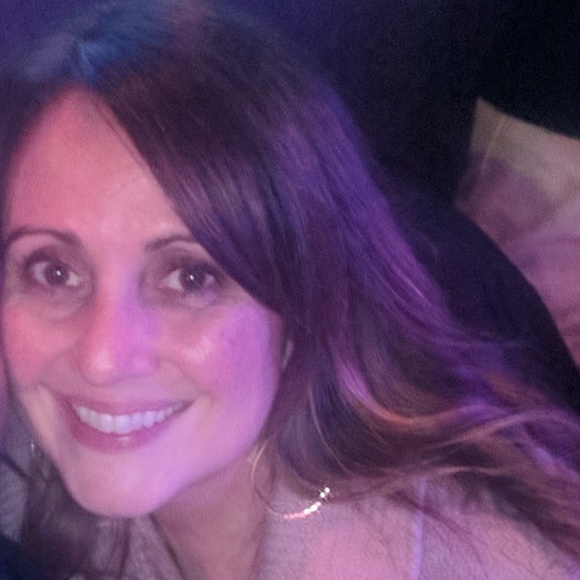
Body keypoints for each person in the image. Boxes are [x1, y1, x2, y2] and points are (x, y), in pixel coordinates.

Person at [0, 1, 579, 578]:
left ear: (306, 302)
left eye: (190, 277)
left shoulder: (482, 562)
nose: (103, 358)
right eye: (53, 272)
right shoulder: (33, 461)